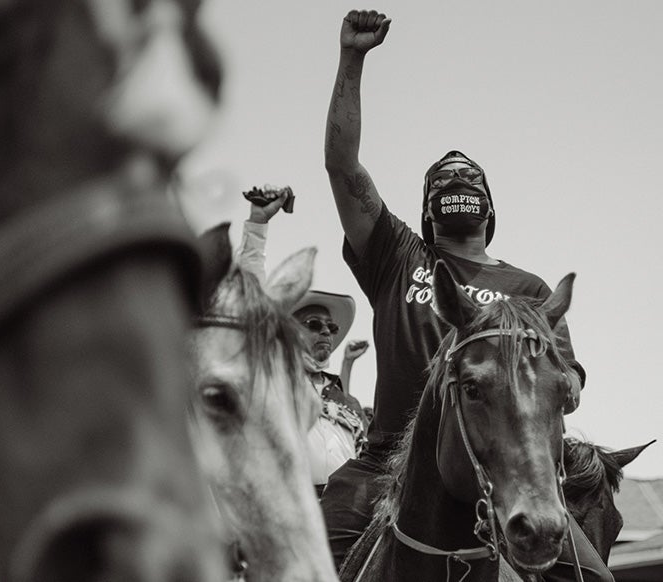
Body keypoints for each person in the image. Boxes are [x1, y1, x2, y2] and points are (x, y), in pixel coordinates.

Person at [321, 10, 610, 582]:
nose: (457, 182)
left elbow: (568, 386)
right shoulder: (398, 255)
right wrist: (351, 60)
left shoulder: (529, 292)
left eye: (469, 179)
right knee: (306, 554)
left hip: (511, 469)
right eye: (444, 180)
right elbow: (341, 165)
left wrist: (555, 381)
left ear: (489, 209)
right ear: (429, 212)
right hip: (384, 466)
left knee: (593, 578)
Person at [235, 189, 369, 497]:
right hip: (287, 507)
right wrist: (257, 223)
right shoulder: (273, 375)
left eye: (331, 327)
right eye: (314, 324)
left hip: (345, 518)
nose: (326, 332)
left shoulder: (348, 404)